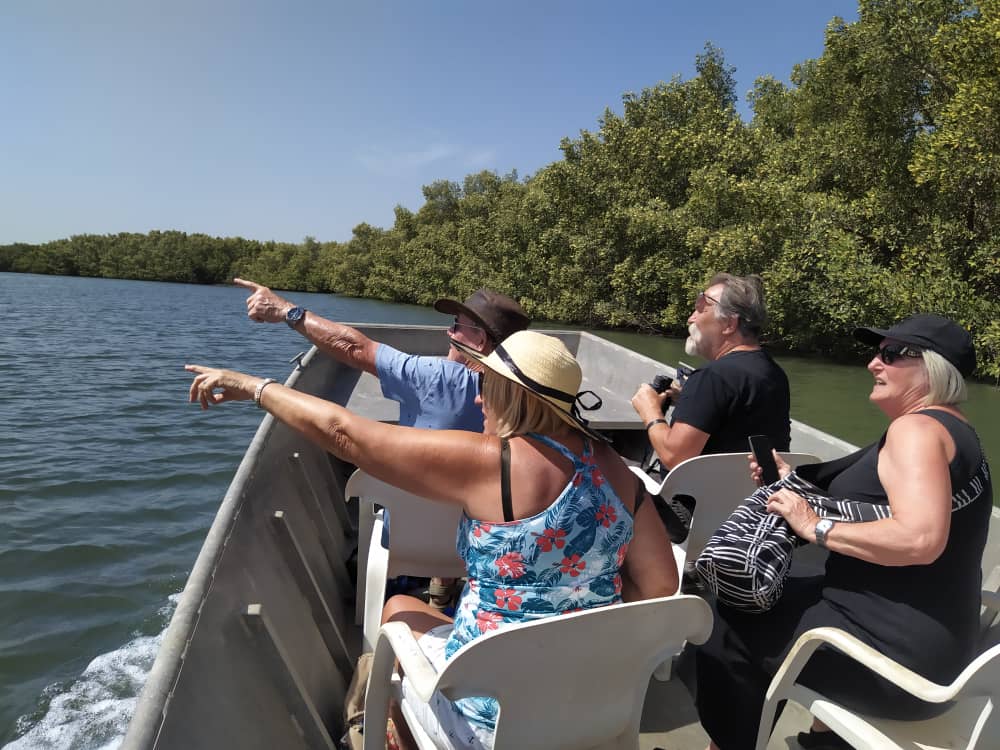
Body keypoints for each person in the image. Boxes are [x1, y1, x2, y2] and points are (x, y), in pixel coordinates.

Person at [186, 330, 678, 750]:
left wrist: (254, 386)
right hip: (588, 706)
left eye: (488, 386)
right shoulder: (622, 474)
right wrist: (568, 617)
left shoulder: (493, 462)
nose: (479, 399)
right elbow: (659, 584)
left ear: (516, 396)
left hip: (490, 724)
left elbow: (343, 434)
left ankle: (396, 730)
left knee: (398, 607)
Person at [692, 313, 991, 750]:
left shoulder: (916, 431)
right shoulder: (958, 430)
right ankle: (825, 738)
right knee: (796, 584)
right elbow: (883, 503)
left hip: (893, 667)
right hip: (941, 650)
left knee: (727, 618)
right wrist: (791, 481)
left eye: (891, 354)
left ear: (932, 367)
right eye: (877, 352)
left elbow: (920, 539)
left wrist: (815, 526)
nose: (874, 363)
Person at [234, 279, 529, 606]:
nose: (450, 332)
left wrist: (285, 311)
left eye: (459, 326)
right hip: (481, 548)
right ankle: (443, 587)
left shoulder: (433, 377)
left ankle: (402, 591)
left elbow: (354, 348)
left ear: (481, 339)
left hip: (408, 542)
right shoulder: (530, 401)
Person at [630, 273, 791, 470]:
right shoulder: (774, 373)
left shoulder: (713, 376)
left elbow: (674, 458)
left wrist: (650, 410)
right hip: (751, 497)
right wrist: (691, 402)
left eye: (700, 309)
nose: (691, 318)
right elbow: (738, 422)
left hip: (693, 499)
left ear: (729, 324)